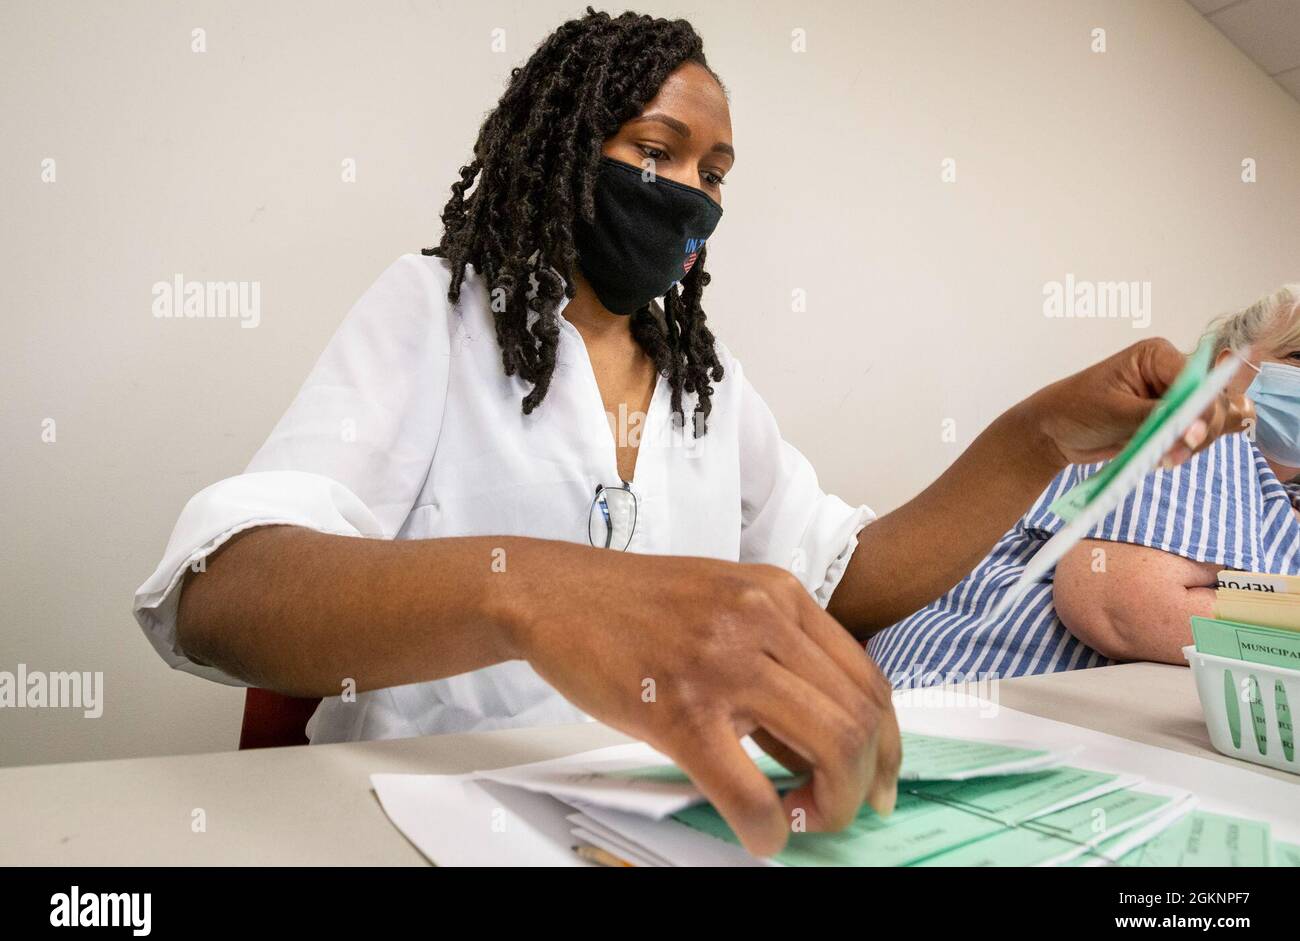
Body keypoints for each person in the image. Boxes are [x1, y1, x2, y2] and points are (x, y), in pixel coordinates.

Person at [131, 9, 1249, 856]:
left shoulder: (704, 388)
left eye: (714, 174)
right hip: (429, 815)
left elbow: (845, 577)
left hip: (645, 822)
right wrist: (539, 593)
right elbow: (221, 594)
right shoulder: (439, 311)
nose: (691, 194)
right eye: (656, 152)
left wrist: (1040, 431)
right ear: (560, 146)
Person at [869, 286, 1300, 684]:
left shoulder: (1284, 502)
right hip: (946, 703)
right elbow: (1124, 610)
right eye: (1298, 355)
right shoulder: (1194, 433)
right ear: (1228, 369)